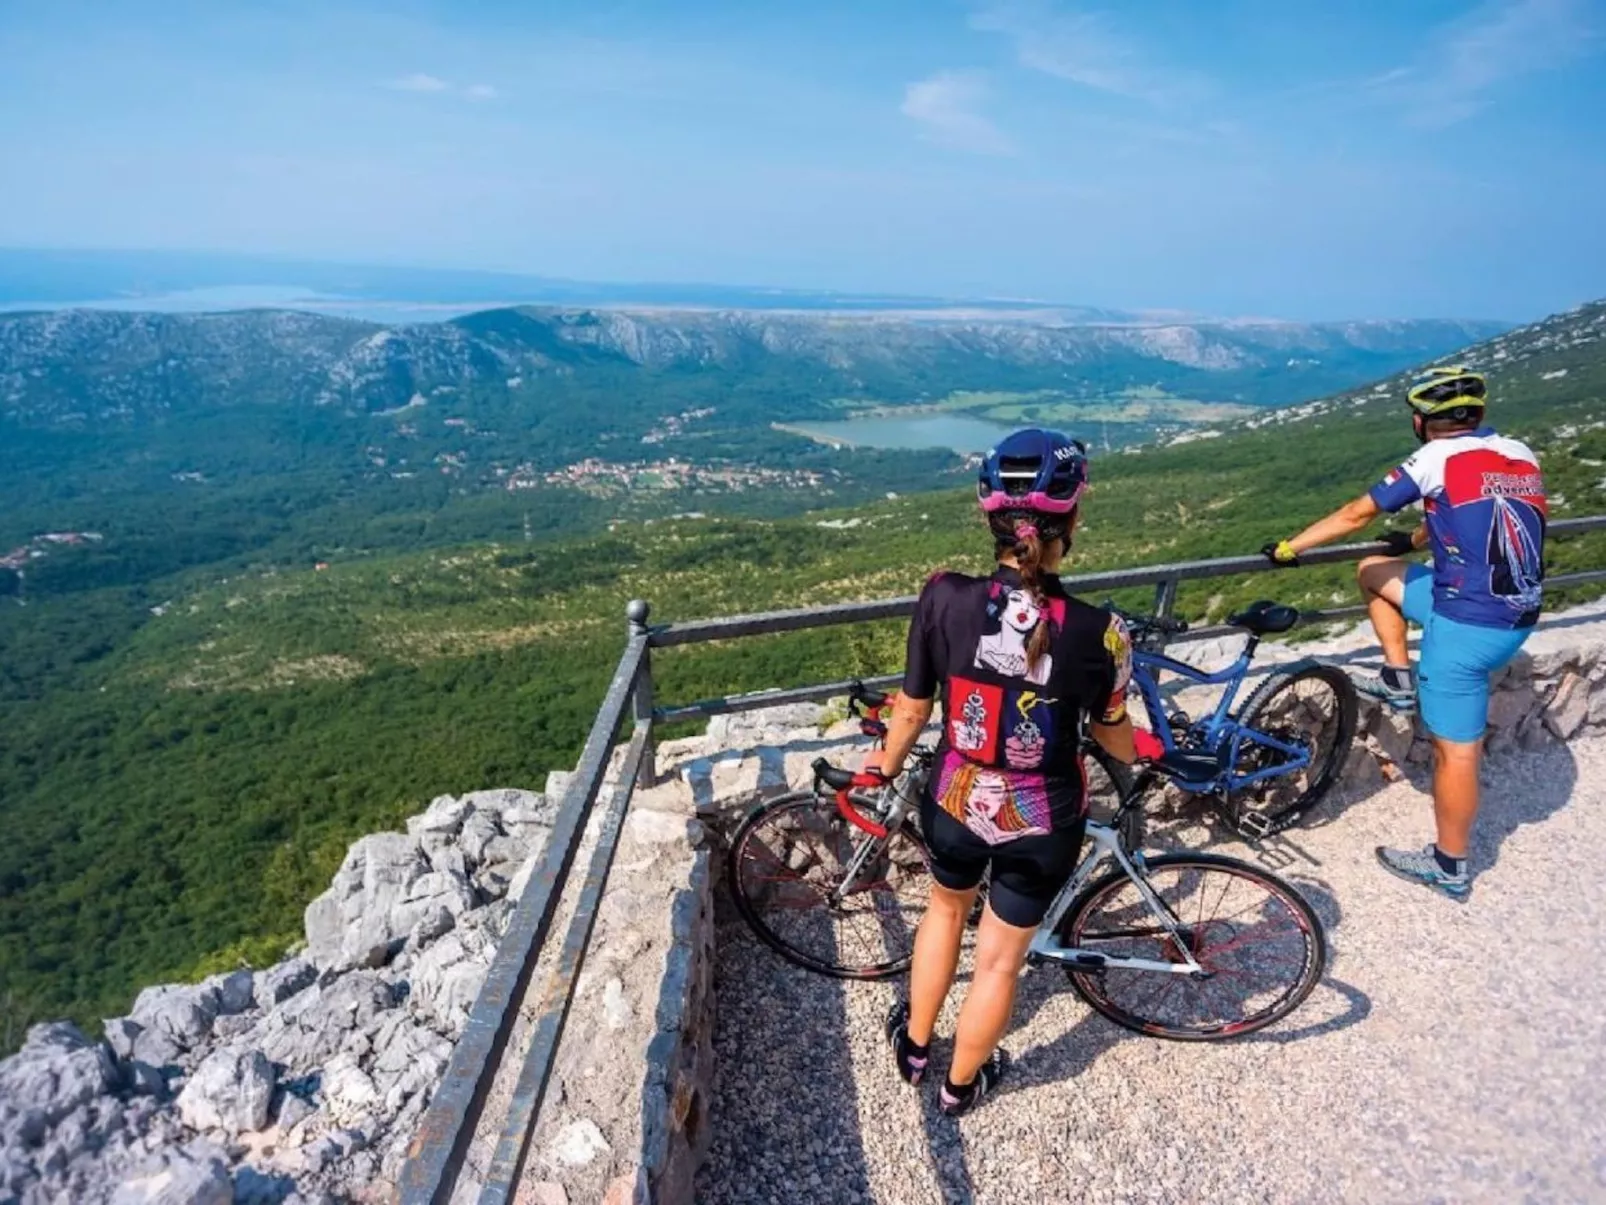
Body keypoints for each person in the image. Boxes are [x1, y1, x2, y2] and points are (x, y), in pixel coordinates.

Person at [858, 427, 1151, 1115]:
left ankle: (915, 1047)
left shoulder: (941, 597)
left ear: (988, 516)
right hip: (1043, 816)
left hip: (955, 798)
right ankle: (961, 1086)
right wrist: (1135, 763)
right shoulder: (1104, 632)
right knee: (998, 960)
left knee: (942, 912)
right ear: (1072, 520)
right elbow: (1111, 729)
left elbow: (911, 708)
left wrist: (885, 763)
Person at [1259, 366, 1546, 899]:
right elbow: (1472, 511)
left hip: (1464, 628)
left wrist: (1288, 548)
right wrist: (1414, 538)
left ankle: (1449, 864)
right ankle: (1397, 675)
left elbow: (1355, 514)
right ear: (1479, 415)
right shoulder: (1520, 452)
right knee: (1373, 570)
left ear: (1420, 421)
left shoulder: (1437, 456)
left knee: (1457, 751)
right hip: (1517, 616)